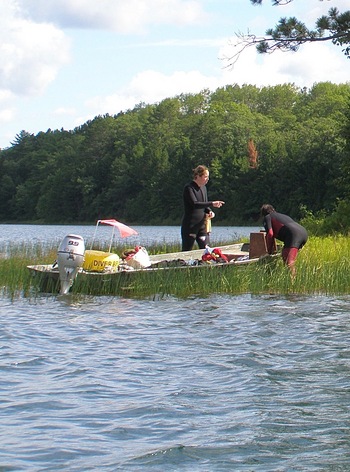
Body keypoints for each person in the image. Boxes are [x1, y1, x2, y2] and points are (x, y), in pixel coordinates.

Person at [181, 165, 225, 251]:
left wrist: (209, 211)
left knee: (207, 250)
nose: (207, 179)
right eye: (205, 177)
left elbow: (204, 204)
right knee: (186, 251)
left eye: (208, 177)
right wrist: (212, 203)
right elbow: (195, 204)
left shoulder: (204, 188)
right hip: (190, 225)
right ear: (197, 176)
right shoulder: (189, 188)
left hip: (201, 225)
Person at [260, 204, 308, 276]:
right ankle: (290, 281)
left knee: (289, 261)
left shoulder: (267, 217)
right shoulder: (281, 216)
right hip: (304, 233)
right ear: (273, 210)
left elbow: (270, 234)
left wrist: (269, 252)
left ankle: (293, 284)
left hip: (294, 235)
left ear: (263, 213)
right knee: (285, 256)